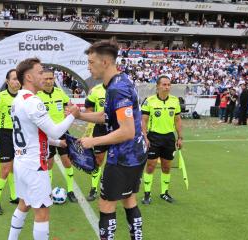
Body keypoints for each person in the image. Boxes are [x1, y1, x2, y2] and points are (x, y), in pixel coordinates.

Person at [76, 39, 147, 240]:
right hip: (134, 154)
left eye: (91, 62)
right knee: (129, 199)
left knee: (106, 203)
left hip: (124, 157)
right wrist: (79, 115)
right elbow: (108, 117)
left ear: (105, 62)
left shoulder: (117, 88)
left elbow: (126, 131)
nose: (88, 66)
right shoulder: (118, 82)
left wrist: (93, 141)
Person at [7, 58, 78, 240]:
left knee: (24, 204)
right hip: (35, 166)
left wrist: (57, 144)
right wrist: (73, 116)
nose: (43, 76)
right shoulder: (33, 102)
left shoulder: (17, 100)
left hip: (22, 163)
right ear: (29, 77)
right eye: (40, 72)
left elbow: (32, 133)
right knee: (42, 214)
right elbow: (55, 130)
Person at [37, 69, 78, 203]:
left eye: (51, 78)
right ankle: (47, 191)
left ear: (54, 79)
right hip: (45, 134)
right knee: (48, 164)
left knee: (67, 162)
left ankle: (70, 190)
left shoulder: (60, 93)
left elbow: (70, 106)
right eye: (46, 78)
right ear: (41, 79)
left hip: (62, 132)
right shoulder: (36, 96)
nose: (49, 81)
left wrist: (69, 110)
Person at [140, 75, 183, 205]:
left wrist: (180, 137)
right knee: (151, 165)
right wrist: (145, 136)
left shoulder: (175, 101)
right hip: (154, 137)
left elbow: (177, 119)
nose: (167, 87)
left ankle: (164, 193)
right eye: (164, 84)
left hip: (169, 138)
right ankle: (147, 194)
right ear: (158, 86)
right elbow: (144, 120)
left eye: (169, 84)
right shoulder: (149, 101)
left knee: (166, 166)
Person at [0, 69, 20, 215]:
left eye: (18, 78)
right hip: (5, 135)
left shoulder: (24, 96)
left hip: (19, 135)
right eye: (13, 79)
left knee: (15, 168)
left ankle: (14, 196)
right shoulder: (0, 97)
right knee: (5, 170)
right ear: (7, 82)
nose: (16, 81)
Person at [84, 83, 108, 201]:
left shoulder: (120, 87)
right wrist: (94, 119)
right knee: (98, 160)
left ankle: (113, 188)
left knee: (117, 160)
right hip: (100, 129)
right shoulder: (96, 90)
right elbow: (88, 109)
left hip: (117, 128)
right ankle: (94, 188)